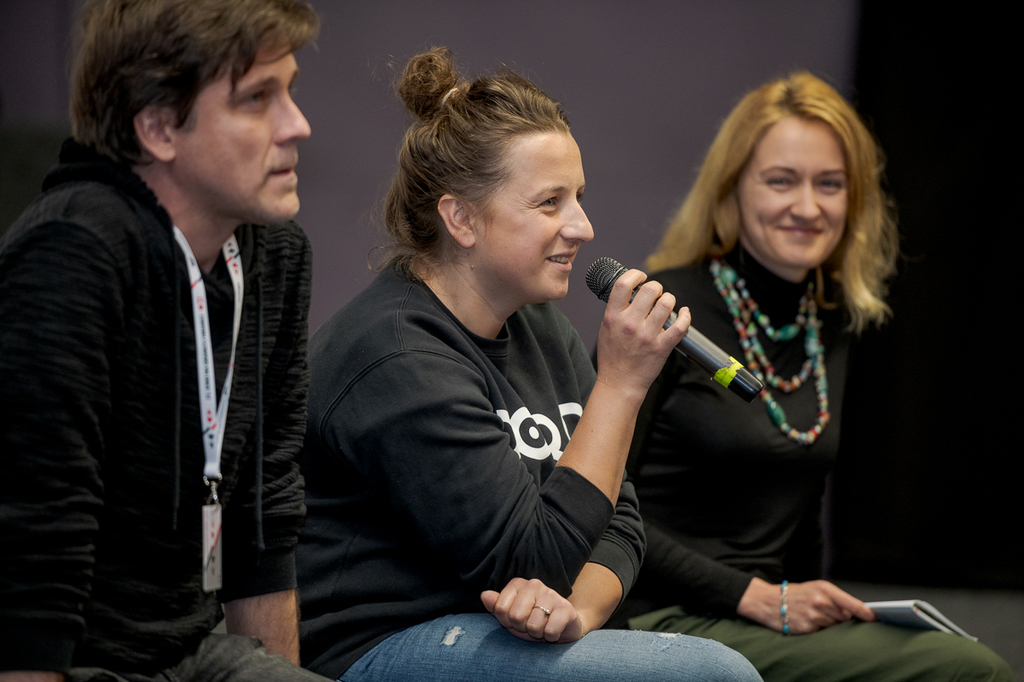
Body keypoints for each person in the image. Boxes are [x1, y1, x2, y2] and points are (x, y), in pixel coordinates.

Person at [295, 47, 762, 682]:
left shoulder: (539, 326)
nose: (583, 226)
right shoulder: (397, 356)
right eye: (550, 203)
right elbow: (535, 558)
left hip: (499, 634)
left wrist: (576, 614)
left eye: (579, 197)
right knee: (713, 675)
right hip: (383, 646)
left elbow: (620, 522)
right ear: (461, 218)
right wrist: (621, 385)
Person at [622, 72, 1014, 681]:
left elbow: (797, 506)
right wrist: (752, 596)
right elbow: (595, 506)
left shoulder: (828, 321)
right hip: (658, 617)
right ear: (731, 190)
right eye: (781, 180)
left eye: (829, 184)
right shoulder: (665, 310)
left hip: (763, 621)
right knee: (968, 670)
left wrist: (811, 601)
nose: (808, 207)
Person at [0, 1, 332, 680]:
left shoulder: (275, 255)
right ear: (157, 128)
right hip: (78, 661)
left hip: (194, 652)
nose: (297, 124)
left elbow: (265, 514)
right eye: (257, 99)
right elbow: (33, 541)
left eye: (289, 90)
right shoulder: (72, 252)